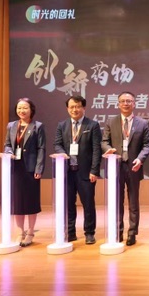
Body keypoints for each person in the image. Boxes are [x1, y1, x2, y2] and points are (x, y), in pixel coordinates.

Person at [101, 91, 149, 246]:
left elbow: (147, 145)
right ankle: (118, 231)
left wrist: (140, 159)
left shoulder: (142, 123)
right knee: (117, 201)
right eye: (122, 101)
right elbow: (104, 141)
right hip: (115, 165)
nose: (125, 104)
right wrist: (109, 150)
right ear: (118, 104)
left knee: (133, 201)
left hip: (134, 166)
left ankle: (132, 233)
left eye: (129, 101)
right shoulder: (111, 121)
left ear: (134, 104)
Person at [54, 95, 102, 245]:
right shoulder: (62, 125)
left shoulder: (92, 125)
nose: (75, 109)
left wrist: (94, 170)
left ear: (84, 108)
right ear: (67, 109)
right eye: (71, 107)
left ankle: (89, 233)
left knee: (88, 204)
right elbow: (57, 144)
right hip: (67, 172)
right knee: (69, 204)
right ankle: (70, 232)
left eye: (78, 106)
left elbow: (96, 150)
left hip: (86, 172)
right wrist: (62, 153)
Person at [3, 98, 46, 247]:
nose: (22, 111)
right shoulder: (11, 125)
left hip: (31, 169)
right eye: (19, 108)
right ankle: (20, 232)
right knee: (18, 203)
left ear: (31, 110)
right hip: (16, 168)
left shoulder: (38, 126)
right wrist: (9, 152)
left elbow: (41, 149)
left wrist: (39, 168)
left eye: (25, 108)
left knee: (31, 202)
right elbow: (7, 144)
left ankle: (31, 232)